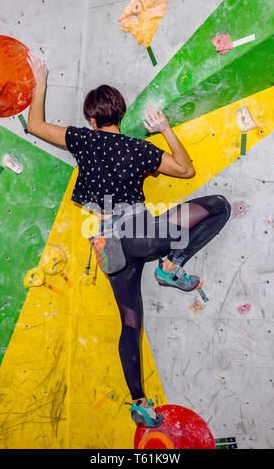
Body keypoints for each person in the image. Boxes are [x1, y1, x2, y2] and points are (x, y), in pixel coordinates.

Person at [27, 53, 231, 428]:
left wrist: (41, 82)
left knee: (131, 323)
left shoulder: (82, 139)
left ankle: (139, 403)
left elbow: (35, 124)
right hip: (138, 234)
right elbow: (186, 170)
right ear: (120, 115)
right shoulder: (139, 149)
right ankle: (172, 266)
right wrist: (165, 128)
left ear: (92, 119)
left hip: (108, 249)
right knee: (218, 206)